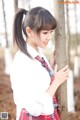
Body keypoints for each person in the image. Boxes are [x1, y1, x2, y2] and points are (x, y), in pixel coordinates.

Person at [10, 7, 69, 120]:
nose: (49, 37)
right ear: (29, 31)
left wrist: (52, 64)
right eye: (45, 33)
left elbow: (40, 82)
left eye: (51, 32)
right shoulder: (22, 61)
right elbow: (35, 108)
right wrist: (56, 82)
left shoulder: (39, 54)